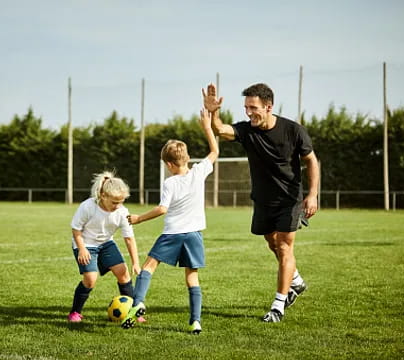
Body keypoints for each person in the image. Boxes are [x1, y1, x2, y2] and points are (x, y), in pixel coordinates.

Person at [202, 83, 319, 322]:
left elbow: (311, 161)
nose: (248, 112)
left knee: (285, 248)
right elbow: (220, 129)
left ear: (268, 107)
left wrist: (312, 194)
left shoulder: (294, 131)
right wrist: (213, 111)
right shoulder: (248, 131)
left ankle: (278, 307)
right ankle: (295, 280)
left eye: (253, 108)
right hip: (263, 200)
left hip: (289, 199)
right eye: (246, 107)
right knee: (272, 242)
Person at [121, 108, 219, 334]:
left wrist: (138, 219)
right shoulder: (199, 172)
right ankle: (195, 321)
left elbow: (162, 209)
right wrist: (207, 126)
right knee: (192, 277)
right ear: (186, 158)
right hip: (194, 235)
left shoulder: (170, 183)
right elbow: (214, 150)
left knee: (148, 266)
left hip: (173, 233)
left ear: (169, 164)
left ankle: (138, 303)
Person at [67, 171, 141, 323]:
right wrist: (82, 249)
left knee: (123, 273)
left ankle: (132, 312)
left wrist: (135, 262)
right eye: (114, 202)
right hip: (85, 243)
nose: (118, 206)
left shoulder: (122, 212)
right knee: (90, 279)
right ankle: (75, 313)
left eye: (120, 202)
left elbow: (129, 238)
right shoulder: (88, 206)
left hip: (106, 243)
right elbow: (76, 229)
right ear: (103, 195)